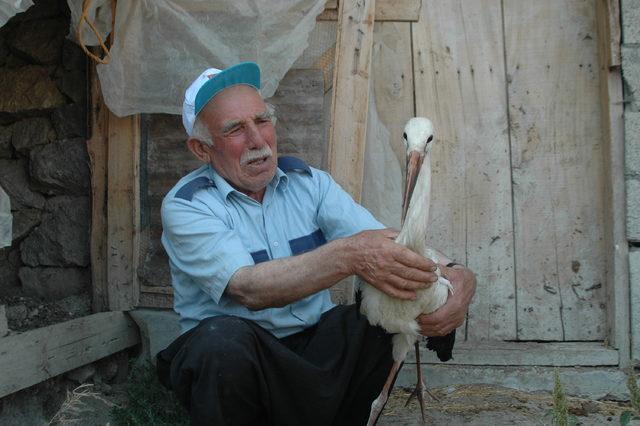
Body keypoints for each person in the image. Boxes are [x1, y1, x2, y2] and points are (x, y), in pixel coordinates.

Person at [157, 62, 476, 426]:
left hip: (315, 347)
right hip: (244, 360)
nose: (258, 141)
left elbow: (392, 248)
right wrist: (349, 255)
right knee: (219, 342)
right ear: (202, 148)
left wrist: (460, 277)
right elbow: (248, 288)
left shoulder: (308, 183)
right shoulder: (187, 205)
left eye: (262, 121)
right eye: (235, 129)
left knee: (379, 317)